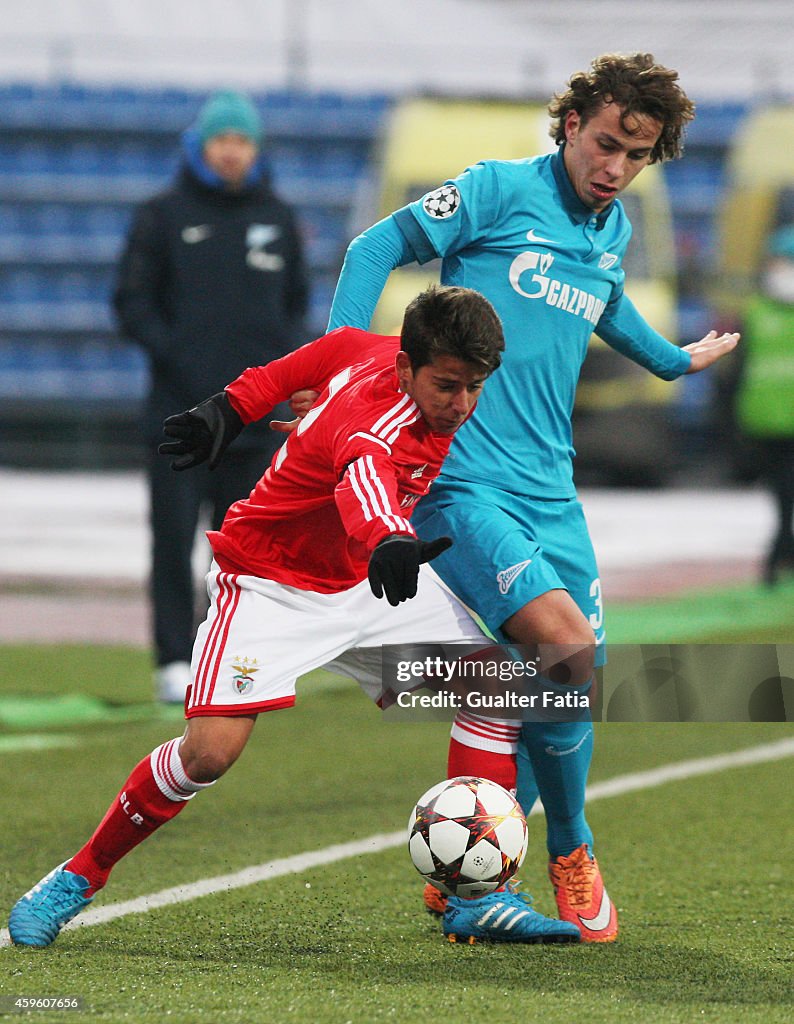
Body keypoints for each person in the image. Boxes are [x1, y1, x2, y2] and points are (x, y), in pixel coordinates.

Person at [9, 286, 580, 948]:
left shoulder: (375, 351)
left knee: (496, 687)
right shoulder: (379, 421)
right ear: (406, 368)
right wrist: (388, 537)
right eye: (449, 386)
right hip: (271, 584)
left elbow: (322, 354)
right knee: (208, 755)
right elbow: (362, 473)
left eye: (475, 387)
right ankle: (79, 875)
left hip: (366, 585)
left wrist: (235, 405)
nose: (463, 405)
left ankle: (474, 897)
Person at [325, 52, 740, 943]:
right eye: (604, 144)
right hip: (464, 478)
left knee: (566, 684)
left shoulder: (613, 229)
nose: (614, 167)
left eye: (636, 156)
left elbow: (606, 305)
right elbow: (374, 246)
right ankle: (568, 848)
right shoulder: (497, 190)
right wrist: (338, 374)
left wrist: (674, 360)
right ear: (571, 124)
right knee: (563, 647)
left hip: (553, 489)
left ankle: (475, 870)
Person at [114, 89, 309, 704]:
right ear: (201, 146)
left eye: (243, 141)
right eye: (223, 140)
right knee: (173, 543)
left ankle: (228, 659)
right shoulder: (161, 215)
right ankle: (174, 659)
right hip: (179, 419)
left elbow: (295, 306)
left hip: (253, 424)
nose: (233, 152)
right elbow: (131, 302)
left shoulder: (279, 218)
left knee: (244, 549)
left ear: (255, 148)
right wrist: (181, 357)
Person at [735, 225, 794, 585]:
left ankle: (780, 555)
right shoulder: (754, 312)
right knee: (782, 495)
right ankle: (780, 555)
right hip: (767, 422)